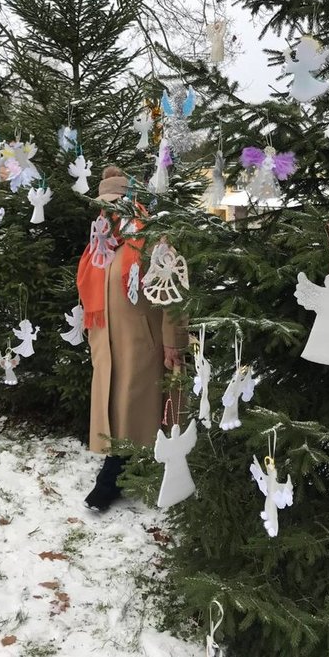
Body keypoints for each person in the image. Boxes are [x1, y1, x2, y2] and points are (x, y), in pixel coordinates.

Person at [77, 166, 188, 511]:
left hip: (142, 343)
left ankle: (112, 479)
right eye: (104, 205)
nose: (109, 211)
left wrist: (174, 341)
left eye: (116, 203)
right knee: (117, 408)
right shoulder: (102, 241)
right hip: (106, 344)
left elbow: (175, 294)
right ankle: (123, 469)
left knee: (135, 409)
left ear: (132, 202)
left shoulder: (154, 238)